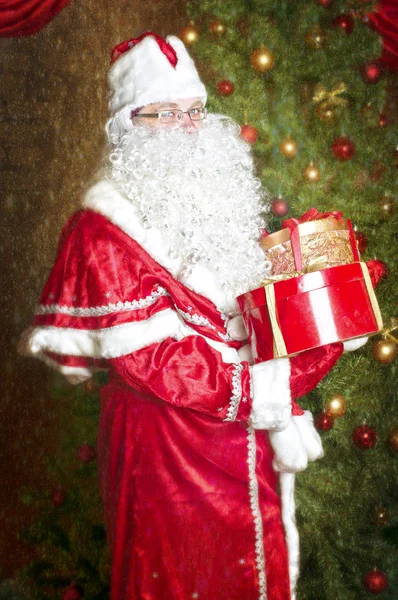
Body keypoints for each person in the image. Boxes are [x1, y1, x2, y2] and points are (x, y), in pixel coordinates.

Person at [19, 32, 347, 600]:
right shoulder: (101, 229)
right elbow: (152, 359)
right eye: (164, 112)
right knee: (176, 578)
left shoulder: (206, 196)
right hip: (166, 448)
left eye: (193, 110)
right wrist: (260, 392)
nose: (187, 126)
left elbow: (239, 310)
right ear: (127, 125)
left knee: (253, 573)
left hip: (243, 436)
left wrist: (316, 299)